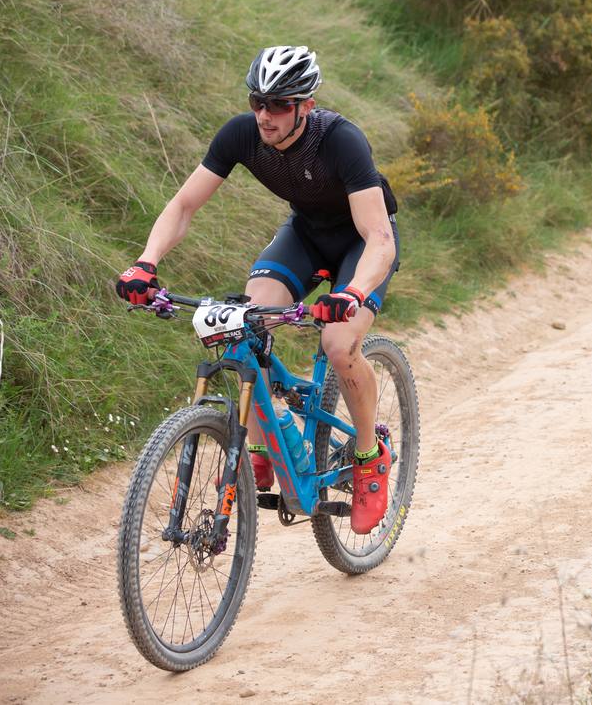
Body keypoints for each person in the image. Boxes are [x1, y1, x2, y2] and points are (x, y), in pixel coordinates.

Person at [115, 45, 400, 535]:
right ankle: (271, 437)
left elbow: (380, 238)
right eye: (257, 102)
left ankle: (370, 457)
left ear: (306, 106)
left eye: (280, 105)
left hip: (360, 242)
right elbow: (184, 205)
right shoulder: (241, 136)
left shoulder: (341, 141)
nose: (265, 116)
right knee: (245, 323)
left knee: (337, 344)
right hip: (307, 235)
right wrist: (146, 263)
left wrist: (351, 294)